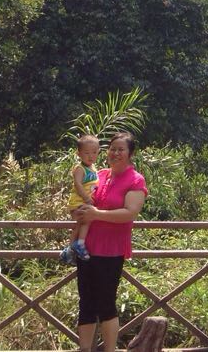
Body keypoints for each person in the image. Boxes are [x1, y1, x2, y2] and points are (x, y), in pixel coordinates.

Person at [73, 131, 147, 352]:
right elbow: (82, 197)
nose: (115, 153)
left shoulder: (136, 180)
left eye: (121, 149)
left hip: (111, 250)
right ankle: (85, 349)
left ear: (130, 153)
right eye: (112, 148)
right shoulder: (100, 174)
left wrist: (96, 214)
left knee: (106, 303)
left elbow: (130, 213)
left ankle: (110, 349)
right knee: (85, 302)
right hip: (87, 248)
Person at [60, 134, 100, 264]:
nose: (91, 156)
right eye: (87, 153)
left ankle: (70, 250)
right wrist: (87, 198)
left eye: (94, 153)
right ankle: (78, 245)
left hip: (85, 202)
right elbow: (77, 184)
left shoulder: (93, 168)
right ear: (79, 154)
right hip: (79, 202)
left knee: (80, 224)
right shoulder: (80, 168)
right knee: (84, 221)